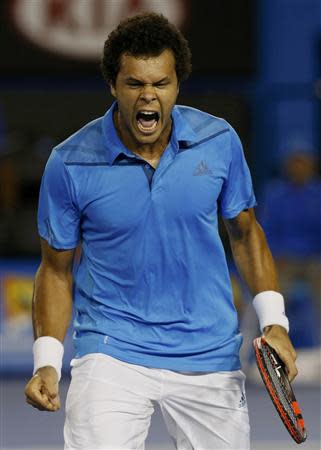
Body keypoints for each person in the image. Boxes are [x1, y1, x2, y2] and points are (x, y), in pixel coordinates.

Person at [25, 13, 297, 450]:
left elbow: (246, 235)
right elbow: (55, 270)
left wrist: (275, 323)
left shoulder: (219, 141)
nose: (148, 95)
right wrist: (47, 362)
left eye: (161, 83)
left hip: (207, 353)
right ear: (114, 86)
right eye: (134, 83)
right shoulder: (70, 162)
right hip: (111, 350)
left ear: (177, 86)